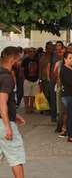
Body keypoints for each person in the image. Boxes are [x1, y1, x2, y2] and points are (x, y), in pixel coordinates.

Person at [0, 46, 26, 178]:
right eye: (19, 60)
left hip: (4, 119)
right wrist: (8, 126)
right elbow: (2, 103)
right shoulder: (7, 77)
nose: (20, 63)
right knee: (16, 158)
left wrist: (15, 115)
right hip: (3, 124)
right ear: (12, 60)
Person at [21, 48, 39, 113]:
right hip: (27, 79)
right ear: (28, 53)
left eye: (33, 51)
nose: (32, 53)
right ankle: (26, 108)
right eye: (30, 51)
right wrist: (24, 78)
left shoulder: (37, 60)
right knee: (26, 94)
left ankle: (31, 107)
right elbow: (22, 70)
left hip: (35, 80)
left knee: (33, 95)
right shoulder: (25, 60)